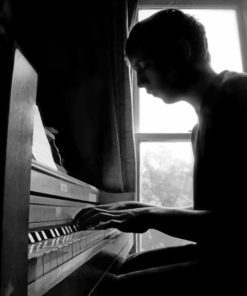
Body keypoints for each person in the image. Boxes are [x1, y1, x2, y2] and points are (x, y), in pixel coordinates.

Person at [74, 9, 247, 295]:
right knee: (126, 265)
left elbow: (235, 224)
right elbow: (219, 213)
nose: (141, 83)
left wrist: (152, 216)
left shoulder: (237, 93)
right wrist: (141, 209)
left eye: (144, 66)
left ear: (181, 52)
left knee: (110, 289)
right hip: (218, 255)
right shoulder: (201, 123)